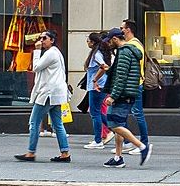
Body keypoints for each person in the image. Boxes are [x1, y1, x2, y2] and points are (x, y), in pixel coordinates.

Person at [12, 30, 70, 162]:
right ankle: (65, 152)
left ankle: (31, 152)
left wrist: (36, 51)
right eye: (40, 38)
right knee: (58, 124)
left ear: (52, 40)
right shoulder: (55, 53)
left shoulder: (51, 54)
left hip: (48, 93)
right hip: (55, 93)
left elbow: (36, 67)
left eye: (45, 38)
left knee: (34, 122)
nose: (41, 40)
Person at [102, 27, 150, 168]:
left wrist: (113, 96)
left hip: (122, 94)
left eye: (110, 41)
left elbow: (121, 77)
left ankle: (142, 146)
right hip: (126, 93)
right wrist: (109, 71)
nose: (108, 44)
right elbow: (121, 73)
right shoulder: (128, 51)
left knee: (114, 124)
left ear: (115, 39)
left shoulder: (124, 52)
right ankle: (118, 158)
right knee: (118, 124)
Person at [120, 19, 150, 156]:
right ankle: (127, 142)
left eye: (122, 28)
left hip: (134, 84)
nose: (121, 30)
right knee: (125, 114)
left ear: (128, 30)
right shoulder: (136, 44)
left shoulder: (132, 45)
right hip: (135, 84)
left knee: (137, 114)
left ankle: (143, 143)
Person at [83, 33, 111, 149]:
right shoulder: (98, 52)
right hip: (100, 85)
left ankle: (98, 140)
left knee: (95, 113)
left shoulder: (97, 54)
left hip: (97, 87)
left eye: (88, 41)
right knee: (98, 112)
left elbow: (104, 67)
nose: (87, 43)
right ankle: (112, 128)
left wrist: (95, 80)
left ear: (93, 42)